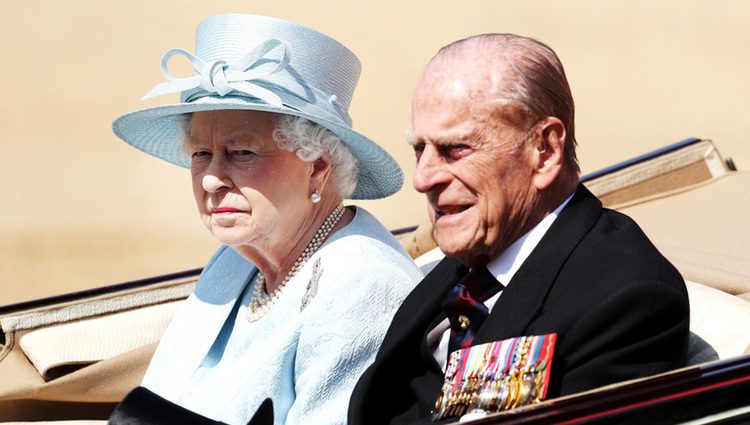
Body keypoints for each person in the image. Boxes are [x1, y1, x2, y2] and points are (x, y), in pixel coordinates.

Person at [349, 33, 690, 424]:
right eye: (419, 149)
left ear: (544, 151)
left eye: (454, 149)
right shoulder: (466, 263)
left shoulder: (626, 300)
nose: (423, 178)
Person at [107, 14, 422, 425]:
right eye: (201, 154)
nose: (212, 179)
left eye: (243, 153)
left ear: (317, 168)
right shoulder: (236, 258)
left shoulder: (363, 285)